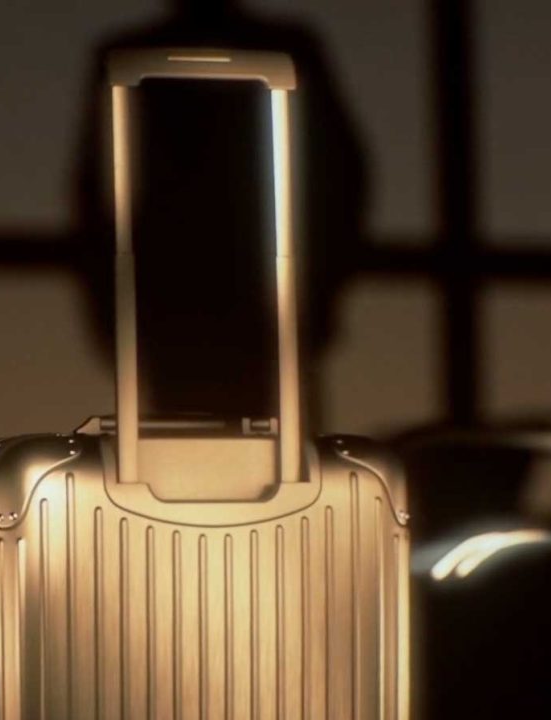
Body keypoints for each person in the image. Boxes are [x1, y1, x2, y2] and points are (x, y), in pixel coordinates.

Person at [72, 0, 369, 420]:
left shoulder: (129, 54)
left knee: (203, 445)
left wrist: (327, 285)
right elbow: (345, 168)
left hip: (203, 293)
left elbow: (88, 188)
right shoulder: (284, 48)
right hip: (196, 293)